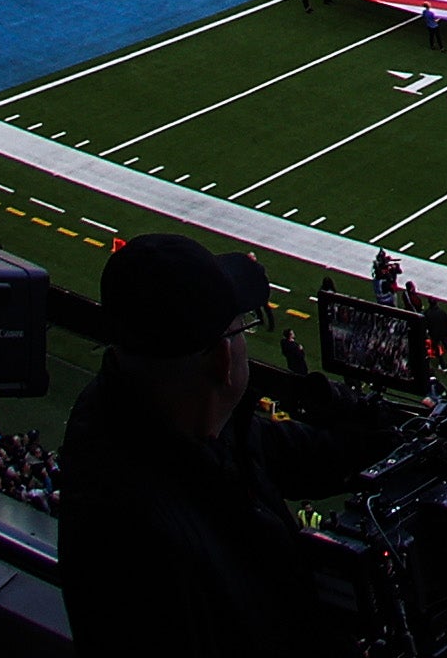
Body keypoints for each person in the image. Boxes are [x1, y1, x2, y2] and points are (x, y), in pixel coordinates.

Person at [60, 234, 334, 648]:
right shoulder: (148, 534)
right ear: (223, 360)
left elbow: (291, 451)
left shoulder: (137, 422)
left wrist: (396, 434)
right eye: (242, 328)